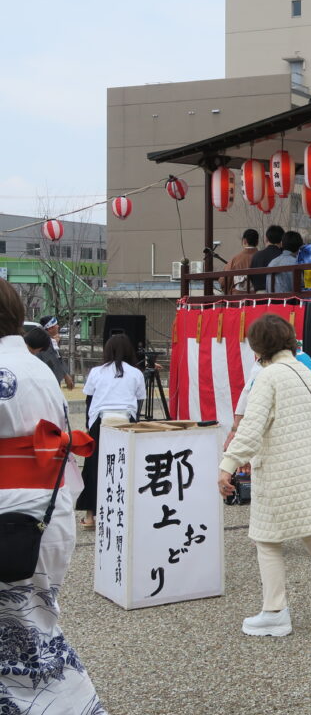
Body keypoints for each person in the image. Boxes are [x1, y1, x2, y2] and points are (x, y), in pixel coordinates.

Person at [0, 279, 107, 713]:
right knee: (33, 620)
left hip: (12, 507)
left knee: (21, 626)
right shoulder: (34, 366)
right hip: (47, 506)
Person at [217, 314, 311, 637]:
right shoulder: (306, 373)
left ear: (258, 346)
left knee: (267, 540)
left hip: (278, 472)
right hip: (310, 467)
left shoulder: (268, 376)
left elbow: (251, 428)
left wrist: (227, 464)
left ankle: (275, 611)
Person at [76, 334, 146, 528]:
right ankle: (127, 514)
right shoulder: (136, 373)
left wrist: (88, 425)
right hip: (126, 421)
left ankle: (90, 516)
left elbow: (89, 400)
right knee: (127, 465)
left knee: (94, 467)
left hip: (101, 421)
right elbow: (139, 401)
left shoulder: (96, 372)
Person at [38, 315, 74, 389]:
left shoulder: (51, 341)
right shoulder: (44, 343)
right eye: (56, 325)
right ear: (50, 328)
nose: (58, 326)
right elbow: (53, 361)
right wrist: (66, 375)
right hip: (47, 382)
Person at [223, 228, 260, 294]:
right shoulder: (262, 257)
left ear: (244, 241)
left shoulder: (235, 259)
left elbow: (224, 281)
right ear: (257, 242)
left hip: (238, 296)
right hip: (258, 296)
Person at [248, 225, 284, 292]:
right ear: (282, 240)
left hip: (260, 294)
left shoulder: (257, 256)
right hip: (279, 293)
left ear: (266, 239)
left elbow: (251, 276)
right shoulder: (283, 256)